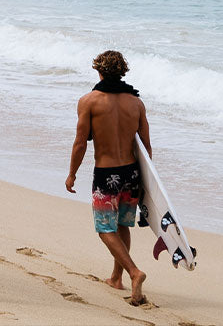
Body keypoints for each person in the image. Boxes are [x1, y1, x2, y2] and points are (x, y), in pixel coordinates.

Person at [66, 50, 150, 305]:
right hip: (132, 173)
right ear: (122, 72)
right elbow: (145, 147)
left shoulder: (89, 101)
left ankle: (134, 272)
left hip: (106, 174)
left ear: (99, 72)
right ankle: (116, 277)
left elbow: (81, 143)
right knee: (122, 225)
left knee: (104, 229)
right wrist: (145, 182)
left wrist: (72, 174)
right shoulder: (136, 103)